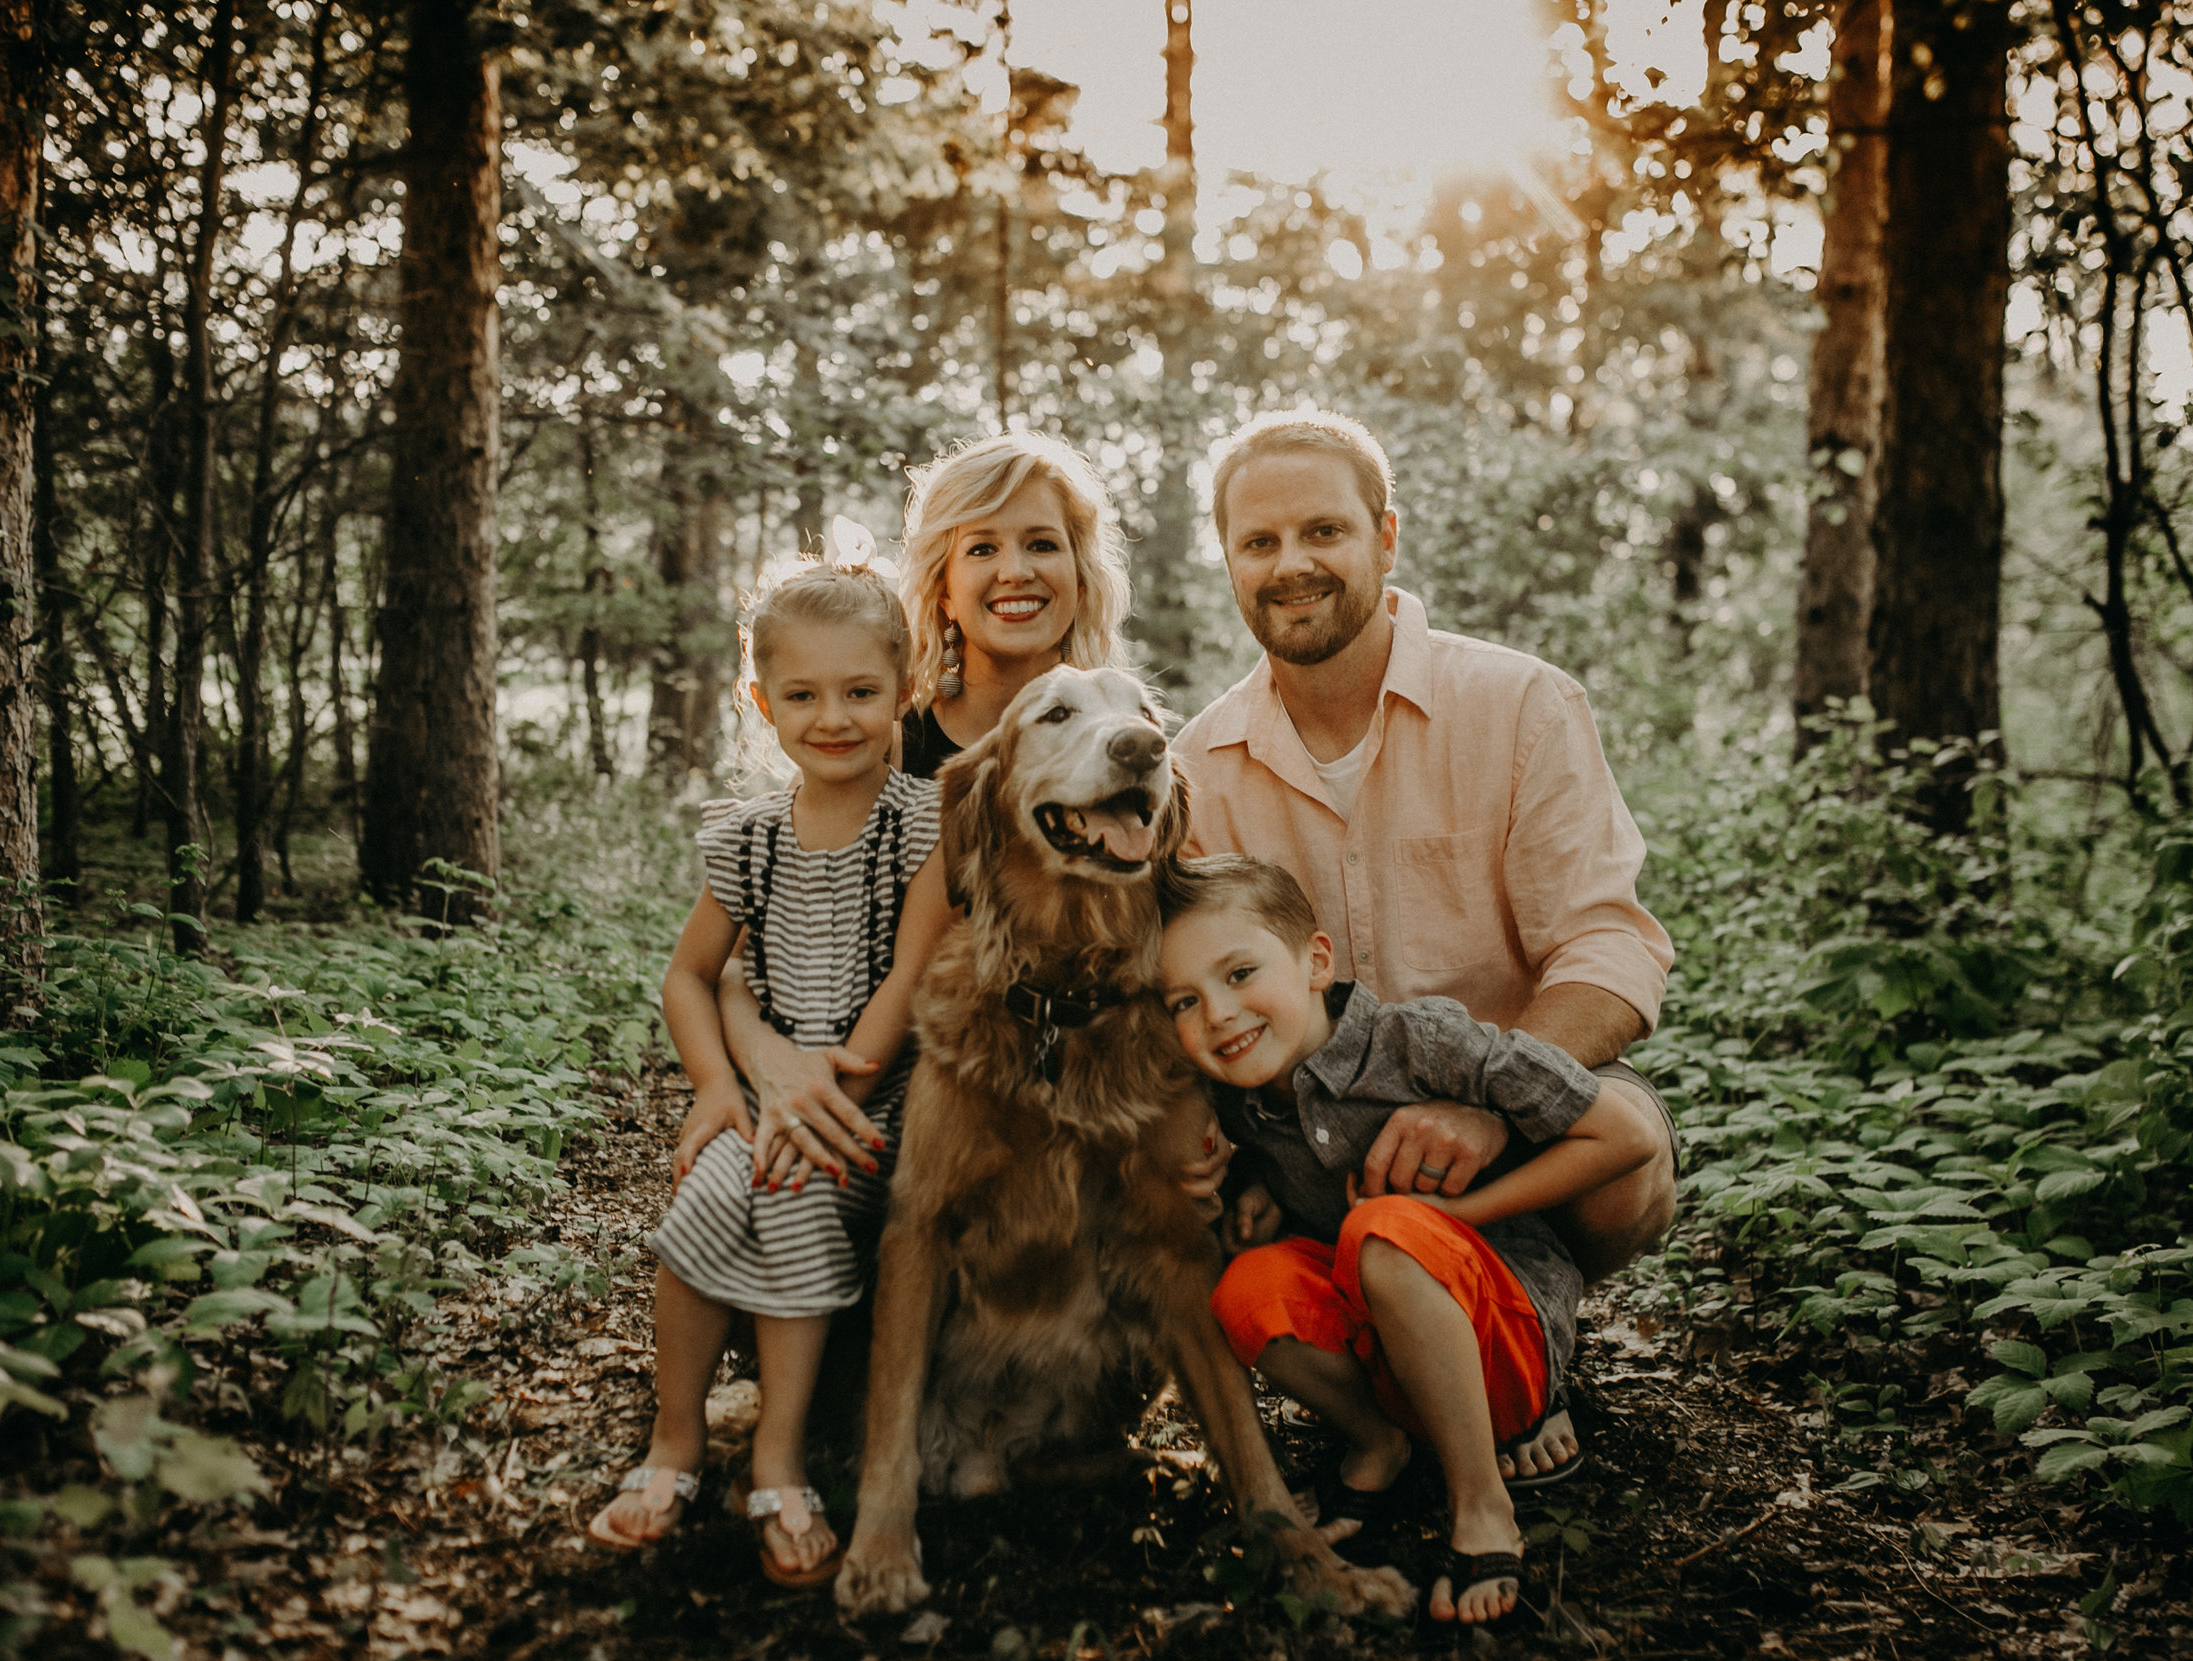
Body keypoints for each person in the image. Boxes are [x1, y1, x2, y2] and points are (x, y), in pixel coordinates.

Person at [1172, 409, 1681, 1488]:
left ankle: (1536, 1339)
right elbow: (1186, 992)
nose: (1291, 564)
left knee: (1624, 1148)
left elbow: (1606, 945)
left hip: (1504, 1102)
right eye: (1258, 543)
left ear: (1385, 537)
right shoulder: (1199, 766)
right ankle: (1391, 1400)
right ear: (1227, 562)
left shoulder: (1518, 704)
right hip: (1317, 1149)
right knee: (1216, 1219)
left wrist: (1487, 1104)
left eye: (1323, 531)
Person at [1156, 855, 1655, 1624]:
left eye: (1240, 972)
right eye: (1184, 1000)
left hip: (1503, 1332)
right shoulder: (1245, 1102)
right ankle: (1380, 1439)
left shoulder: (1416, 1040)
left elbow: (1622, 1136)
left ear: (1316, 961)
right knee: (1244, 1286)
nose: (1217, 1013)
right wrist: (1255, 1202)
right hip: (1388, 1349)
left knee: (1383, 1232)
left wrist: (1466, 1214)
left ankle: (1483, 1502)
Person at [586, 562, 955, 1588]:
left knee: (787, 1191)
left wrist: (834, 1095)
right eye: (801, 694)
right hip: (764, 1090)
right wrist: (714, 1087)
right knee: (710, 1188)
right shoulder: (750, 836)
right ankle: (673, 1443)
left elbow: (911, 981)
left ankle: (778, 1459)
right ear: (761, 701)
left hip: (872, 1105)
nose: (831, 716)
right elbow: (687, 975)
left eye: (859, 692)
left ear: (905, 689)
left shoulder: (924, 825)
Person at [721, 433, 1134, 1179]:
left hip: (1085, 1114)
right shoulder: (886, 741)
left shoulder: (1124, 745)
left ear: (1079, 572)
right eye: (981, 548)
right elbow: (747, 955)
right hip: (885, 1108)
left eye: (1042, 543)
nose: (1015, 570)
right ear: (942, 585)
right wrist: (769, 1065)